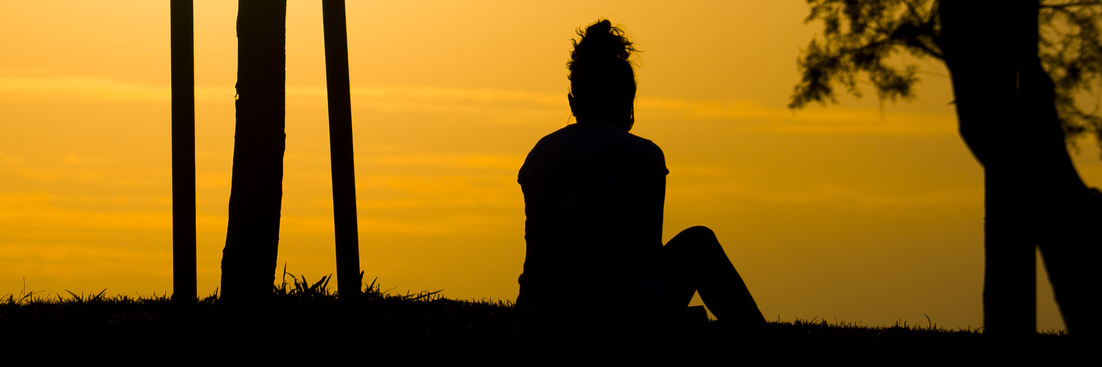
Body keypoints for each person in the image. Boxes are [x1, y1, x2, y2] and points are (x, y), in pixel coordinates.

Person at [516, 19, 766, 328]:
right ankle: (762, 341)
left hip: (539, 306)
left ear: (572, 101)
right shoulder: (643, 154)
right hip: (619, 313)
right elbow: (647, 256)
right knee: (700, 243)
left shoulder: (539, 153)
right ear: (628, 101)